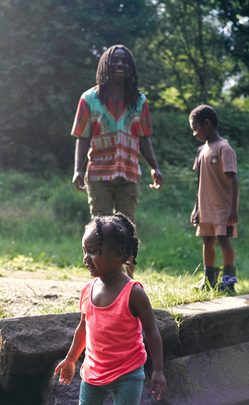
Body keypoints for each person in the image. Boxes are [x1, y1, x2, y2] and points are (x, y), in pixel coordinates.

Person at [54, 213, 167, 405]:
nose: (86, 258)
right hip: (94, 370)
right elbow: (83, 328)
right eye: (84, 251)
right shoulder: (88, 290)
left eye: (93, 251)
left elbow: (152, 332)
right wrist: (71, 359)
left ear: (117, 255)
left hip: (128, 371)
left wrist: (157, 370)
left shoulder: (133, 292)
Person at [70, 45, 163, 276]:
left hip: (129, 172)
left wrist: (155, 167)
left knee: (127, 229)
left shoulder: (139, 100)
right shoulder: (88, 98)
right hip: (98, 173)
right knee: (99, 229)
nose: (120, 65)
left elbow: (144, 138)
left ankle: (128, 283)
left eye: (124, 61)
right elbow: (82, 137)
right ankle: (101, 282)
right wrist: (77, 170)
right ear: (106, 66)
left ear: (130, 66)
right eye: (115, 61)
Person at [189, 104, 239, 292]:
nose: (194, 133)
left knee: (223, 240)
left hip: (222, 208)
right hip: (205, 207)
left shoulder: (224, 149)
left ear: (207, 123)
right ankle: (209, 280)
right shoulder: (201, 151)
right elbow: (200, 181)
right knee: (207, 241)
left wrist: (233, 208)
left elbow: (233, 179)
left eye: (196, 128)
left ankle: (228, 281)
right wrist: (196, 207)